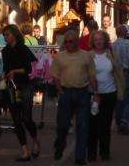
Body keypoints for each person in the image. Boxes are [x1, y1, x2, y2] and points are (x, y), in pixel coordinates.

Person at [51, 29, 96, 165]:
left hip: (82, 93)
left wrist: (95, 94)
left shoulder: (86, 56)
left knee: (82, 126)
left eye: (71, 41)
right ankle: (60, 144)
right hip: (66, 93)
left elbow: (92, 76)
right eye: (66, 41)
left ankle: (80, 157)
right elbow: (55, 76)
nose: (68, 44)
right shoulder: (59, 56)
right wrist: (60, 90)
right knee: (63, 125)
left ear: (77, 41)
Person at [2, 25, 40, 161]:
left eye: (8, 34)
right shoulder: (4, 51)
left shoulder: (23, 49)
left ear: (14, 35)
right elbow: (6, 68)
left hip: (24, 86)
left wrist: (14, 71)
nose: (6, 37)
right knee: (16, 119)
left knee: (26, 118)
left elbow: (28, 69)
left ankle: (35, 140)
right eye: (4, 35)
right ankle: (25, 150)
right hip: (11, 87)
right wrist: (6, 75)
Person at [88, 30, 125, 162]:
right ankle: (91, 154)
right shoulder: (89, 56)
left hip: (110, 94)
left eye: (101, 39)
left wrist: (122, 88)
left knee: (105, 125)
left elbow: (118, 72)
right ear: (92, 41)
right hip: (94, 96)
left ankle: (105, 152)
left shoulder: (111, 54)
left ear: (105, 40)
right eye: (96, 39)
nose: (98, 42)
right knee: (92, 126)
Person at [112, 25, 129, 135]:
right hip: (126, 73)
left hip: (115, 74)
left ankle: (118, 122)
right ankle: (124, 121)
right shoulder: (128, 45)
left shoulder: (112, 46)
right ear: (125, 33)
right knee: (128, 99)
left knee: (119, 99)